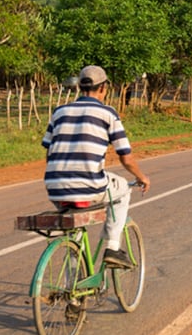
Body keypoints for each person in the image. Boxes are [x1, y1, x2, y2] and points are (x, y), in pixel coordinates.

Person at [41, 65, 151, 268]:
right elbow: (125, 158)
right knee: (123, 189)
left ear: (80, 88)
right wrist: (142, 177)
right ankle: (113, 247)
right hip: (89, 184)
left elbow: (48, 152)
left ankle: (72, 283)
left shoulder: (59, 112)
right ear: (103, 88)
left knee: (75, 232)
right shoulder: (108, 113)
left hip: (55, 186)